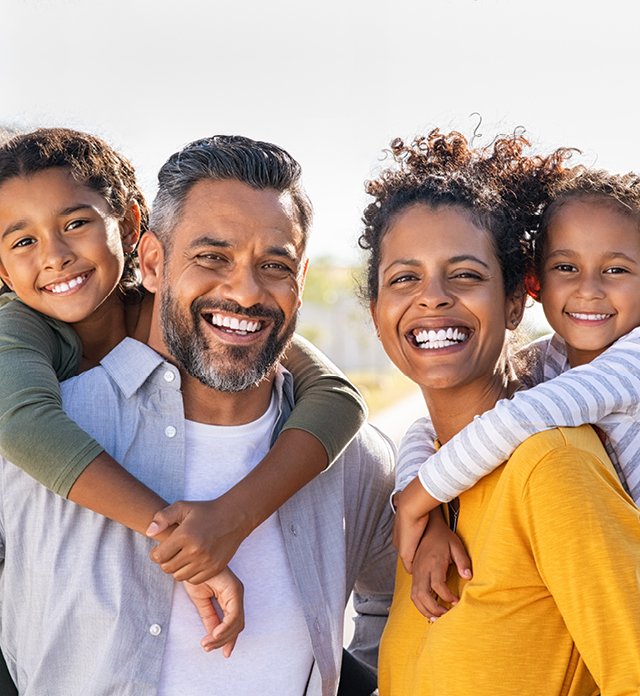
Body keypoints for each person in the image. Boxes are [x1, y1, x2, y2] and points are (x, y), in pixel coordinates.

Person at [0, 134, 396, 695]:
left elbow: (334, 392)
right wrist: (184, 543)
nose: (244, 290)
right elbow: (21, 424)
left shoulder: (352, 459)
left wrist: (232, 518)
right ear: (155, 260)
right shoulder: (25, 411)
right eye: (212, 257)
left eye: (274, 265)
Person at [359, 130, 640, 694]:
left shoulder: (552, 465)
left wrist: (420, 498)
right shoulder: (430, 494)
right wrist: (423, 501)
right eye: (404, 277)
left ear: (516, 300)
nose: (432, 297)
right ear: (376, 311)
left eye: (465, 274)